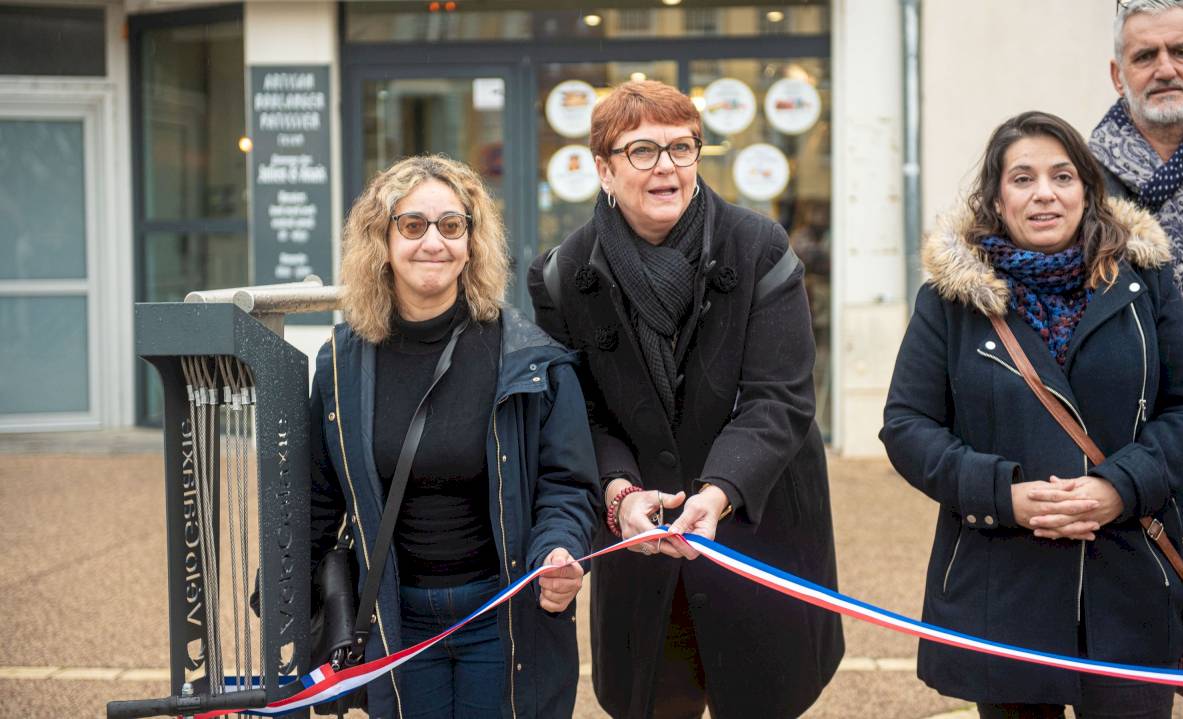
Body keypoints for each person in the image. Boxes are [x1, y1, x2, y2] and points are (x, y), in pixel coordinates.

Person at [526, 80, 843, 719]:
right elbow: (578, 413)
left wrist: (719, 491)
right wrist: (619, 495)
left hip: (755, 523)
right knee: (655, 697)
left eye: (681, 147)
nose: (666, 166)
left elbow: (778, 398)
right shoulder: (561, 275)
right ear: (603, 169)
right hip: (641, 538)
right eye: (642, 150)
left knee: (763, 695)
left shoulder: (759, 248)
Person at [882, 111, 1183, 718]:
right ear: (998, 201)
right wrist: (1004, 495)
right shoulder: (949, 303)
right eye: (1022, 178)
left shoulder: (1146, 284)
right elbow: (907, 426)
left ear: (1087, 190)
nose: (1045, 193)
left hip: (1129, 577)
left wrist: (1120, 487)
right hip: (1004, 585)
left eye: (1062, 176)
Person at [309, 155, 600, 718]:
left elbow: (567, 484)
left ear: (472, 241)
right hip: (394, 622)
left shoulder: (528, 358)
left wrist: (559, 551)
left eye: (451, 225)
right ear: (382, 241)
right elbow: (317, 499)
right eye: (412, 225)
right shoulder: (340, 366)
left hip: (502, 616)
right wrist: (288, 601)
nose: (433, 242)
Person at [1090, 0, 1183, 568]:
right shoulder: (1080, 184)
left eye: (1181, 51)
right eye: (1144, 56)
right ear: (1118, 74)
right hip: (1132, 453)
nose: (1165, 68)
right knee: (1151, 639)